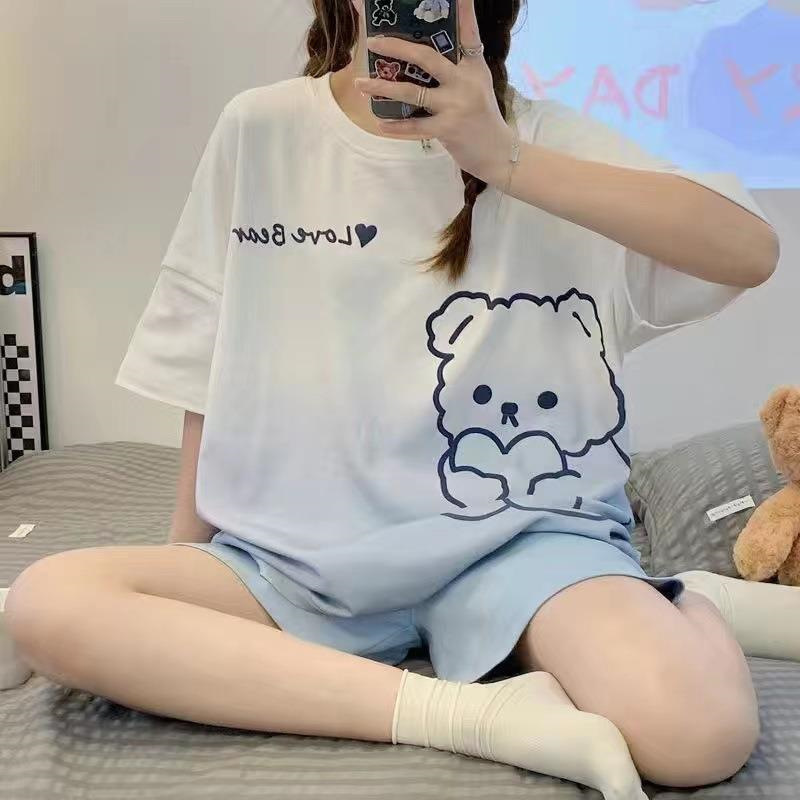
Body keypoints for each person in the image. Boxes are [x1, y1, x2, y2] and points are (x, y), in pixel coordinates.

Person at [5, 1, 785, 797]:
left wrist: (501, 157)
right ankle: (473, 715)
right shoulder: (261, 128)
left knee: (700, 734)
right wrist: (180, 570)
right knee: (48, 604)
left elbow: (749, 251)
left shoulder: (549, 140)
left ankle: (678, 602)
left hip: (520, 545)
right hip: (296, 559)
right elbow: (207, 361)